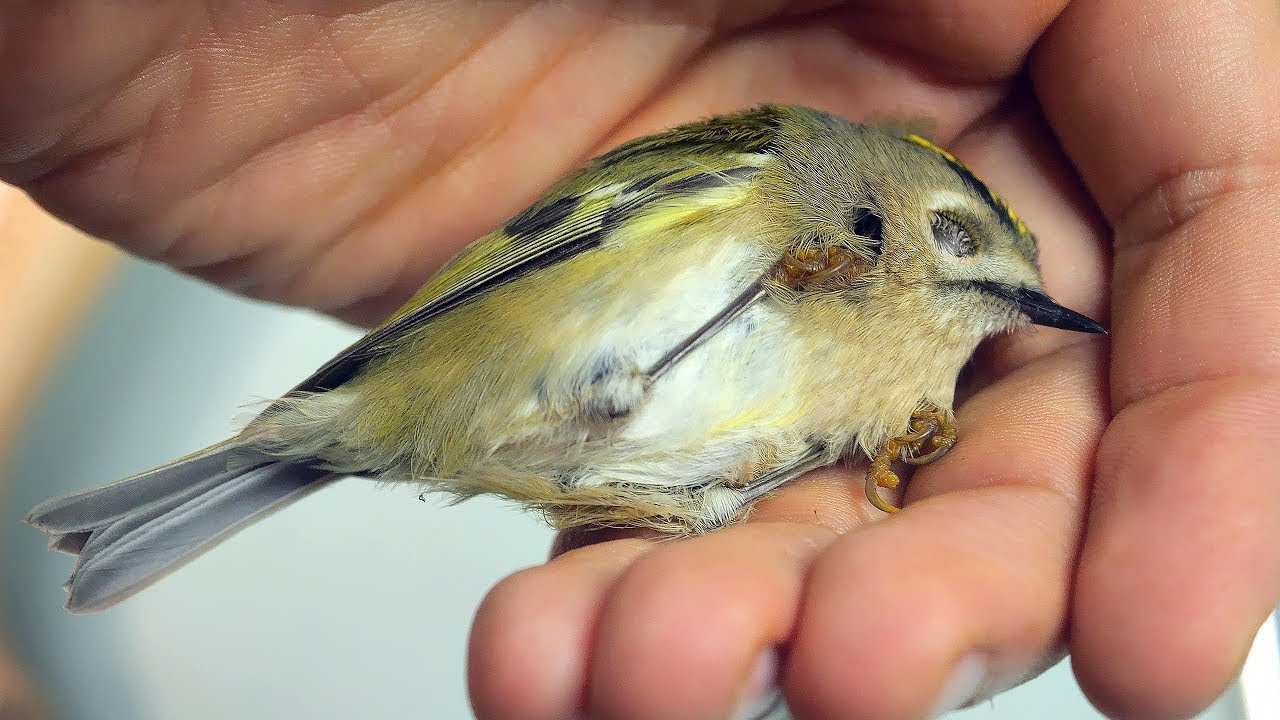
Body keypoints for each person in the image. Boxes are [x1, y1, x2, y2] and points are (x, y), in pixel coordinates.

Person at [2, 2, 1276, 718]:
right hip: (478, 364)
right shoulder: (772, 179)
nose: (977, 293)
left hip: (581, 451)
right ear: (870, 192)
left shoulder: (875, 381)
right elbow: (533, 250)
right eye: (957, 244)